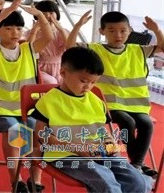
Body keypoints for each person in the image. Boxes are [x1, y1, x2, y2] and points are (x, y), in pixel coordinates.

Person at [30, 46, 154, 193]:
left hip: (97, 152)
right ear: (63, 72)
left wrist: (109, 143)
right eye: (83, 80)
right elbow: (41, 137)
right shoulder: (49, 101)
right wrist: (76, 148)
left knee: (137, 181)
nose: (88, 86)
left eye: (93, 82)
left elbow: (103, 131)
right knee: (106, 181)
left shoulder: (96, 101)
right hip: (64, 156)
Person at [66, 10, 163, 177]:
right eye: (112, 30)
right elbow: (70, 48)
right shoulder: (95, 49)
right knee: (128, 122)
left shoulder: (138, 50)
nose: (118, 35)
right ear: (101, 32)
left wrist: (157, 30)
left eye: (123, 30)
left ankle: (136, 165)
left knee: (146, 124)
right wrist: (78, 26)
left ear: (130, 31)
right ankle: (137, 166)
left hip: (136, 104)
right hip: (108, 104)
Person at [0, 0, 53, 193]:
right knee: (15, 130)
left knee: (39, 134)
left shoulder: (28, 49)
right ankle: (16, 181)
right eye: (9, 28)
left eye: (19, 29)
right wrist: (6, 10)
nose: (15, 33)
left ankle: (35, 181)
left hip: (26, 110)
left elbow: (49, 36)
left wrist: (39, 15)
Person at [24, 0, 69, 84]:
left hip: (60, 67)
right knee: (51, 82)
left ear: (57, 14)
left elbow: (70, 48)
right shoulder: (31, 32)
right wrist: (35, 30)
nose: (48, 16)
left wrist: (62, 30)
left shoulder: (64, 31)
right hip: (40, 67)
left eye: (51, 13)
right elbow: (27, 49)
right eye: (43, 13)